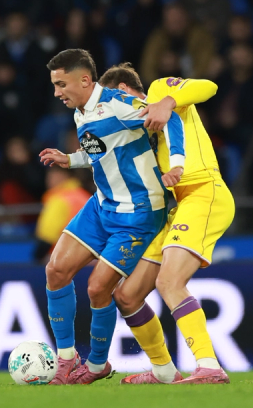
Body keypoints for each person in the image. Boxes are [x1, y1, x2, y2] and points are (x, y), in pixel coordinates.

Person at [38, 49, 185, 385]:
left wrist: (176, 165)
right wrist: (70, 160)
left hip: (138, 212)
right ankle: (66, 358)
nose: (57, 92)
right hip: (102, 205)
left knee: (97, 288)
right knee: (56, 270)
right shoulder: (81, 111)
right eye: (55, 85)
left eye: (61, 84)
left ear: (85, 80)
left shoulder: (118, 104)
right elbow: (100, 151)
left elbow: (170, 118)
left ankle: (96, 365)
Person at [98, 63, 234, 384]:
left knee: (170, 282)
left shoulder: (160, 90)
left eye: (110, 99)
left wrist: (167, 102)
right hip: (179, 206)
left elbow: (209, 86)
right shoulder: (136, 129)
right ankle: (164, 370)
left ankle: (209, 365)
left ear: (124, 89)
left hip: (205, 192)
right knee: (127, 295)